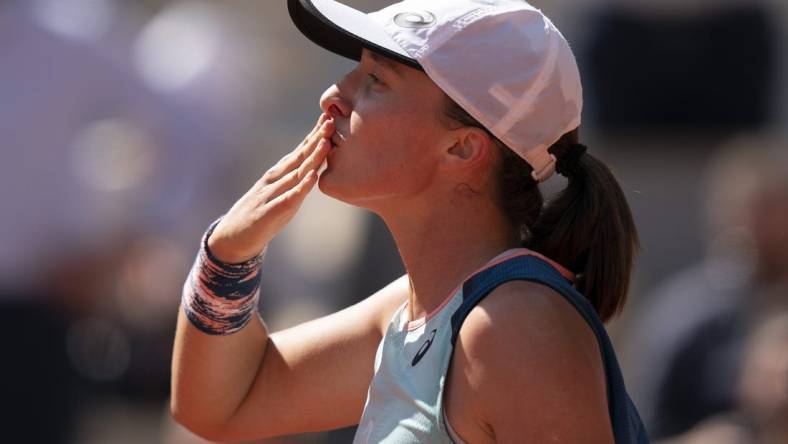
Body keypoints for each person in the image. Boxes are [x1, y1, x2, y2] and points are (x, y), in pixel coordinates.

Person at [171, 1, 648, 442]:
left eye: (377, 80)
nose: (333, 96)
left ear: (461, 147)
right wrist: (228, 256)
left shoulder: (512, 325)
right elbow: (220, 406)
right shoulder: (424, 309)